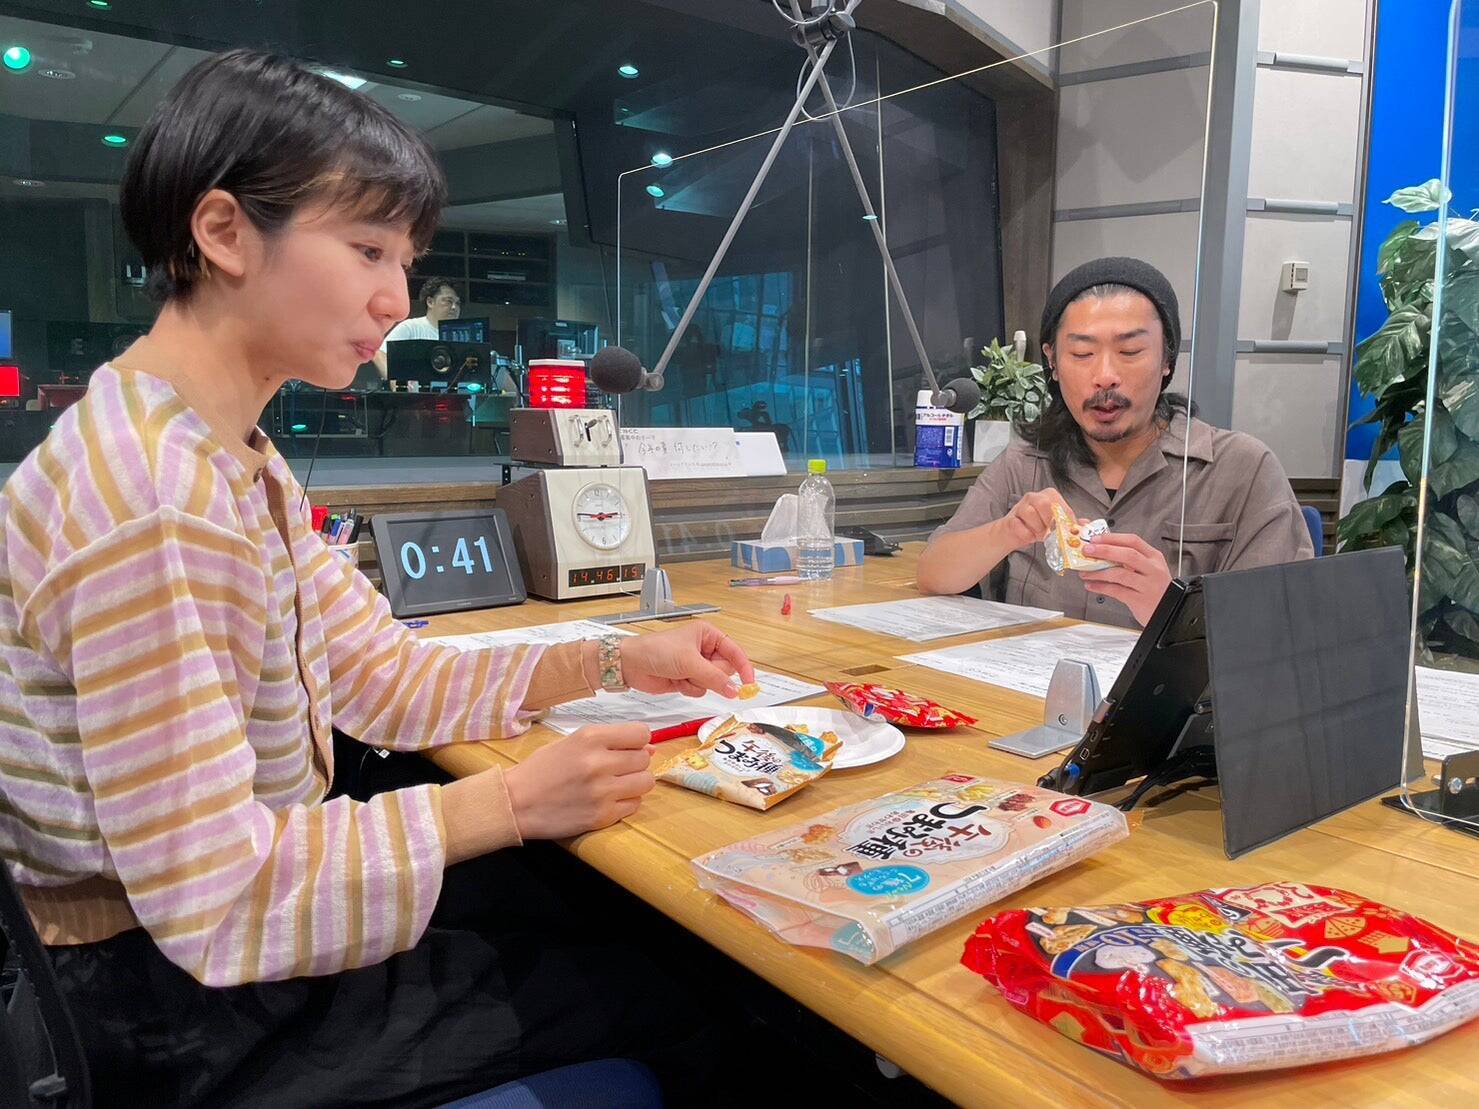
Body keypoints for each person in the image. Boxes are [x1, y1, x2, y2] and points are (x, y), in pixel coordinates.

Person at [0, 50, 756, 1106]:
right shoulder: (152, 496)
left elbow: (385, 678)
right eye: (366, 249)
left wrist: (615, 654)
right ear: (224, 232)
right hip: (164, 1010)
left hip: (201, 959)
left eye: (404, 258)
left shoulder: (222, 452)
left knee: (586, 912)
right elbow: (217, 897)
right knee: (685, 985)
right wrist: (509, 800)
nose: (396, 297)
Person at [918, 256, 1313, 628]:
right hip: (1034, 678)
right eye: (1082, 353)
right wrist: (1008, 531)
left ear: (1167, 359)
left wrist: (1172, 609)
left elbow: (1285, 627)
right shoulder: (1025, 462)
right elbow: (934, 573)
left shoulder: (1243, 469)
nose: (1105, 375)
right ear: (1052, 362)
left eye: (1129, 351)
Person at [369, 274, 461, 381]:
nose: (454, 307)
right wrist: (395, 381)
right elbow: (380, 354)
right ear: (430, 302)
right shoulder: (411, 327)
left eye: (457, 303)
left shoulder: (462, 334)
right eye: (448, 301)